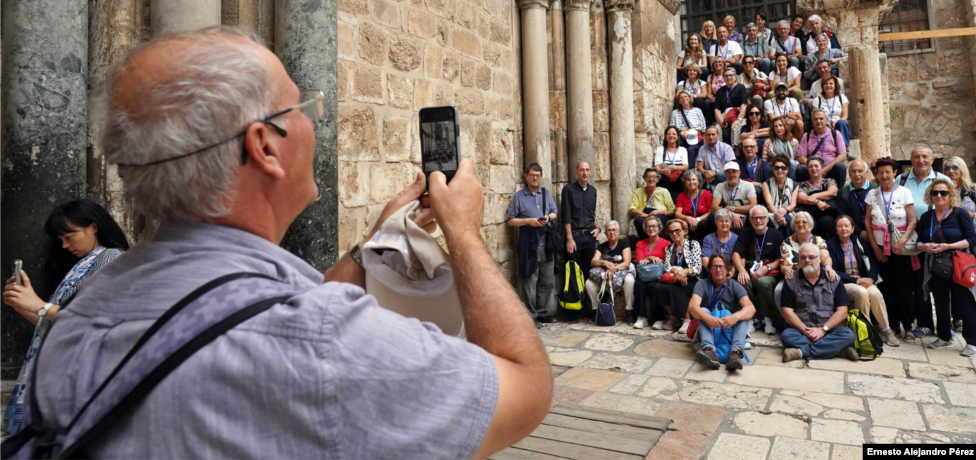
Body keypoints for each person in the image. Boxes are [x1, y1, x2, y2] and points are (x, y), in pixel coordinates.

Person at [15, 27, 552, 458]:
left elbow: (257, 307)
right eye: (302, 109)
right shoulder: (319, 344)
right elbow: (524, 389)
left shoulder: (82, 316)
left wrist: (374, 241)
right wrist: (463, 232)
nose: (312, 124)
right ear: (265, 147)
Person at [2, 200, 129, 436]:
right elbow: (58, 327)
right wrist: (24, 306)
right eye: (60, 239)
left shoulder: (111, 258)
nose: (64, 245)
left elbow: (96, 320)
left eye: (69, 236)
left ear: (94, 226)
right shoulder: (81, 266)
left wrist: (39, 306)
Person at [916, 179, 976, 357]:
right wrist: (924, 246)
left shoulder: (960, 214)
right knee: (940, 302)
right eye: (935, 192)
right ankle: (944, 336)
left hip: (958, 264)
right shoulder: (926, 217)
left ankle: (973, 342)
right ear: (930, 195)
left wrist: (947, 246)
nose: (939, 196)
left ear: (950, 195)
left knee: (966, 302)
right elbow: (919, 240)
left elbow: (971, 239)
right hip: (936, 266)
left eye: (943, 193)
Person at [898, 144, 951, 338]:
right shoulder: (901, 179)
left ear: (932, 159)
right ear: (911, 159)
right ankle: (922, 322)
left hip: (936, 238)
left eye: (925, 157)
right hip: (910, 239)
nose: (921, 160)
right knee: (917, 282)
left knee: (937, 283)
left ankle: (943, 325)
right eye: (917, 156)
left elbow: (953, 208)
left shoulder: (942, 180)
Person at [865, 157, 918, 344]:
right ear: (876, 175)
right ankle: (893, 324)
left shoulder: (904, 193)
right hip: (881, 249)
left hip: (900, 248)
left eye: (888, 171)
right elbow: (867, 222)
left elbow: (912, 220)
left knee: (903, 287)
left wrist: (902, 241)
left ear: (894, 172)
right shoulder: (872, 194)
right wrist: (874, 248)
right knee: (886, 287)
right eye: (880, 172)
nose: (884, 175)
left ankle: (908, 325)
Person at [828, 215, 901, 347]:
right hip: (844, 283)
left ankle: (886, 329)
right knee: (861, 292)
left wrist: (871, 279)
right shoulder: (831, 244)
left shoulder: (859, 241)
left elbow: (873, 264)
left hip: (864, 280)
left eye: (846, 225)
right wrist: (856, 280)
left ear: (852, 228)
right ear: (836, 229)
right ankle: (866, 330)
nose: (843, 228)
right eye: (840, 226)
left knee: (876, 294)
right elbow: (833, 270)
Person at [780, 243, 858, 362]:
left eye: (811, 257)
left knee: (848, 334)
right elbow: (787, 312)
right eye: (803, 257)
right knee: (787, 336)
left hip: (829, 329)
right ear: (799, 260)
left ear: (819, 259)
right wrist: (806, 331)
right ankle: (838, 350)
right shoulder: (791, 280)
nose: (807, 260)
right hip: (802, 330)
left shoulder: (833, 279)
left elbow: (842, 312)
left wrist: (823, 329)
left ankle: (802, 352)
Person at [944, 156, 976, 334]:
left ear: (962, 169)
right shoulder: (944, 191)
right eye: (947, 168)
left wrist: (970, 216)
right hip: (953, 247)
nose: (951, 171)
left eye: (955, 167)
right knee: (956, 283)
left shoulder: (974, 191)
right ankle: (957, 317)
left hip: (973, 247)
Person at [507, 163, 559, 324]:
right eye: (532, 175)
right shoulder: (519, 196)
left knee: (547, 280)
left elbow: (555, 212)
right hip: (529, 245)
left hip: (547, 245)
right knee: (530, 281)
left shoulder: (545, 193)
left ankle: (542, 312)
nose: (535, 178)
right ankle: (530, 315)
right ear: (526, 177)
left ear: (541, 177)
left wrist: (547, 218)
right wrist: (529, 221)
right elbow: (511, 221)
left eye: (537, 175)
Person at [689, 254, 756, 370]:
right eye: (714, 266)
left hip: (728, 330)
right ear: (709, 269)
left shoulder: (735, 285)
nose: (718, 270)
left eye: (721, 266)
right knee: (703, 310)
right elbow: (692, 306)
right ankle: (709, 351)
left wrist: (735, 317)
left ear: (728, 269)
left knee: (743, 314)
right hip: (709, 331)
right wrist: (707, 317)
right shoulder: (702, 284)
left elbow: (751, 308)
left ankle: (735, 353)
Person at [732, 205, 784, 335]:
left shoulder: (776, 235)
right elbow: (736, 254)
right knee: (743, 281)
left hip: (769, 270)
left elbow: (781, 259)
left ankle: (767, 318)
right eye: (755, 218)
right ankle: (752, 317)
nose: (758, 221)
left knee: (763, 283)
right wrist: (741, 270)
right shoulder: (745, 233)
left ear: (767, 219)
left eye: (761, 217)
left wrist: (766, 268)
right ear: (750, 220)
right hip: (749, 269)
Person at [653, 219, 704, 332]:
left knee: (678, 289)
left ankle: (687, 319)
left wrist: (685, 272)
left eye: (677, 230)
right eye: (671, 232)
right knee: (658, 288)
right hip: (676, 278)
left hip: (693, 278)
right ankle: (673, 317)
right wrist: (678, 273)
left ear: (684, 230)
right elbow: (667, 267)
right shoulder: (669, 248)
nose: (674, 233)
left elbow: (698, 267)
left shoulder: (693, 245)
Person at [586, 220, 636, 324]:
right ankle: (597, 311)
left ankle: (629, 311)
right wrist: (604, 263)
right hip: (605, 274)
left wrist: (614, 269)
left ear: (618, 231)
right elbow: (593, 261)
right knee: (589, 283)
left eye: (614, 230)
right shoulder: (602, 246)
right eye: (608, 230)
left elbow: (626, 263)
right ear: (605, 233)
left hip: (622, 272)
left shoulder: (624, 243)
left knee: (630, 281)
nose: (611, 232)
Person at [563, 161, 602, 276]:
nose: (585, 173)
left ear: (590, 172)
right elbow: (566, 215)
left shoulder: (593, 191)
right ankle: (574, 294)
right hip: (575, 237)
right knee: (573, 273)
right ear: (577, 172)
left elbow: (592, 213)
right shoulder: (568, 189)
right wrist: (569, 239)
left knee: (588, 270)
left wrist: (598, 228)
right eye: (582, 170)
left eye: (587, 170)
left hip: (590, 237)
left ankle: (586, 294)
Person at [634, 216, 671, 329]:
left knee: (653, 286)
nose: (651, 229)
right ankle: (642, 317)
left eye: (654, 226)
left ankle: (659, 318)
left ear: (659, 228)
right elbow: (640, 260)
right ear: (645, 229)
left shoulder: (666, 243)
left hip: (658, 275)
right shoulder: (640, 243)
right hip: (644, 275)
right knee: (638, 285)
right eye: (648, 226)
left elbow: (667, 261)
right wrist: (652, 258)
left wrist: (647, 259)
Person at [796, 109, 847, 187]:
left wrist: (826, 169)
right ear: (812, 121)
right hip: (812, 171)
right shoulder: (807, 136)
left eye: (821, 118)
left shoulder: (836, 134)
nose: (818, 121)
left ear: (826, 120)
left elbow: (843, 155)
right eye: (815, 119)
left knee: (840, 167)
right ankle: (806, 193)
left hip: (830, 169)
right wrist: (814, 166)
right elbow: (800, 157)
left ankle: (838, 193)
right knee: (801, 169)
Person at [796, 156, 840, 239]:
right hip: (810, 213)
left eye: (816, 166)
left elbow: (833, 192)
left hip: (827, 212)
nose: (813, 168)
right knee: (808, 223)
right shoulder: (802, 184)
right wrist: (817, 202)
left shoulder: (829, 181)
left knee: (826, 222)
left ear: (822, 168)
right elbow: (801, 198)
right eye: (810, 166)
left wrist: (814, 196)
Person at [711, 162, 758, 231]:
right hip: (726, 214)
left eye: (734, 172)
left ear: (739, 173)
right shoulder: (720, 186)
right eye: (728, 172)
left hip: (743, 214)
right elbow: (714, 207)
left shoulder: (748, 185)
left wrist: (731, 208)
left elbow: (753, 206)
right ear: (725, 174)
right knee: (711, 217)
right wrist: (731, 213)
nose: (731, 174)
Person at [835, 159, 876, 238]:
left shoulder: (876, 189)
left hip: (876, 233)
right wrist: (859, 232)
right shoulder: (843, 192)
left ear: (866, 172)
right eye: (853, 171)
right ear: (849, 172)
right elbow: (842, 215)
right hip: (853, 234)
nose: (857, 174)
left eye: (860, 171)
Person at [630, 168, 676, 236]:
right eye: (648, 176)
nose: (651, 179)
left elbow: (673, 212)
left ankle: (659, 241)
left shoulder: (664, 191)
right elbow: (632, 209)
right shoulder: (639, 191)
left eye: (654, 177)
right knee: (638, 219)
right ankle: (646, 242)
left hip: (660, 216)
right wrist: (647, 216)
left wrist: (660, 212)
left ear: (658, 179)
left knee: (656, 220)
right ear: (645, 178)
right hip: (645, 216)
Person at [762, 155, 800, 237]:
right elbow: (769, 203)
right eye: (777, 168)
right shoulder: (766, 184)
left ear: (788, 169)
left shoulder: (795, 184)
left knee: (787, 219)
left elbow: (793, 204)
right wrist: (777, 214)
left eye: (783, 168)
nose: (780, 170)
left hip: (787, 211)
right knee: (769, 219)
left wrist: (785, 211)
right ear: (773, 169)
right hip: (772, 211)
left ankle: (786, 245)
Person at [675, 169, 715, 243]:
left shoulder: (706, 194)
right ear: (685, 182)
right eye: (688, 180)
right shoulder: (681, 196)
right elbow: (677, 214)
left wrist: (697, 220)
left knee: (703, 224)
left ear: (698, 181)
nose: (691, 182)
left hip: (702, 220)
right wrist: (688, 218)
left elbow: (710, 212)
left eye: (694, 179)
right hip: (687, 221)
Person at [670, 89, 707, 168]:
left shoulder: (698, 111)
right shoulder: (675, 112)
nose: (684, 98)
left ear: (690, 98)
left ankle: (690, 171)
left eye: (686, 96)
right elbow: (672, 127)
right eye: (681, 98)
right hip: (681, 137)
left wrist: (703, 144)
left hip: (695, 137)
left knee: (691, 150)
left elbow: (703, 128)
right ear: (679, 101)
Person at [811, 74, 852, 144]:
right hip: (823, 125)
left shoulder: (842, 98)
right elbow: (815, 116)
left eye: (831, 83)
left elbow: (845, 116)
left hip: (838, 125)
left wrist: (836, 123)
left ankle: (846, 149)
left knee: (842, 123)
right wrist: (825, 123)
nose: (828, 86)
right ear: (822, 86)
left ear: (835, 85)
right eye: (826, 84)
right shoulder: (817, 100)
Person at [653, 126, 690, 199]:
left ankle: (683, 201)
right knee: (662, 177)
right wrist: (662, 171)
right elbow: (657, 167)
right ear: (665, 136)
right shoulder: (660, 149)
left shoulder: (683, 150)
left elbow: (686, 166)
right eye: (669, 134)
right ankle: (664, 200)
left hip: (678, 176)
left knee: (684, 175)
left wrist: (676, 168)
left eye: (674, 134)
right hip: (665, 176)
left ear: (678, 136)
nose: (671, 136)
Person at [735, 137, 771, 205]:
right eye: (746, 147)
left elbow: (769, 183)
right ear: (743, 149)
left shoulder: (764, 165)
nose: (749, 148)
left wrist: (759, 185)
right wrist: (749, 184)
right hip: (741, 191)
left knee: (757, 190)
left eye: (751, 146)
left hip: (759, 194)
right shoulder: (737, 164)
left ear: (756, 149)